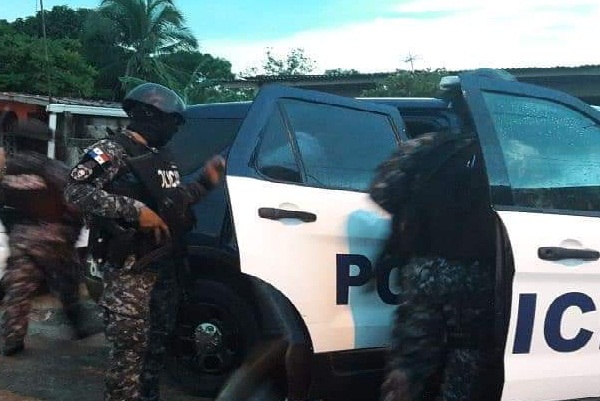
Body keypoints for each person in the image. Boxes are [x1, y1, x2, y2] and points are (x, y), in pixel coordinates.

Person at [64, 82, 226, 401]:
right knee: (130, 352)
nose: (174, 131)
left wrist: (205, 183)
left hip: (164, 263)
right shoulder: (111, 151)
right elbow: (74, 190)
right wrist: (134, 211)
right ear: (149, 115)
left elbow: (173, 202)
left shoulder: (161, 157)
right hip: (130, 269)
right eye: (171, 122)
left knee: (156, 346)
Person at [369, 131, 498, 401]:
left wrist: (417, 212)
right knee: (465, 360)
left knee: (409, 357)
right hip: (475, 273)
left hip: (423, 267)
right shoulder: (512, 151)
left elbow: (380, 190)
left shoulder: (425, 146)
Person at [0, 147, 90, 356]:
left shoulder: (10, 170)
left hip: (23, 236)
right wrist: (72, 232)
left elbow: (4, 204)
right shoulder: (51, 167)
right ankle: (78, 326)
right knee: (67, 283)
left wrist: (15, 230)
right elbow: (74, 200)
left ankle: (13, 338)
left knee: (18, 290)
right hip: (54, 235)